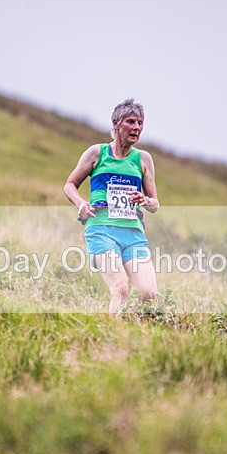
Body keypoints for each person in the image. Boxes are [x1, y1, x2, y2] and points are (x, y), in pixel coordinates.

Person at [64, 98, 160, 314]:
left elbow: (155, 203)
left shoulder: (143, 159)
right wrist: (81, 203)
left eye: (140, 123)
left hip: (133, 234)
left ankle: (129, 324)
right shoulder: (97, 153)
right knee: (120, 288)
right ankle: (112, 337)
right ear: (116, 123)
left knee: (148, 293)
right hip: (101, 230)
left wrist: (145, 201)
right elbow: (70, 185)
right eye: (130, 122)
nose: (136, 128)